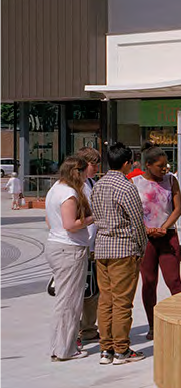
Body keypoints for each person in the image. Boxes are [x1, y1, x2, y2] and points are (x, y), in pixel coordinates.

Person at [90, 141, 148, 365]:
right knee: (123, 302)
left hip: (102, 246)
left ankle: (106, 349)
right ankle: (121, 349)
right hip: (123, 248)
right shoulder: (126, 187)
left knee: (106, 301)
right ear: (126, 163)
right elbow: (136, 220)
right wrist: (141, 248)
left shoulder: (98, 185)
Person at [44, 156, 94, 361]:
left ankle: (60, 346)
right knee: (70, 302)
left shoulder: (55, 188)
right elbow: (70, 224)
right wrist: (93, 217)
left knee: (65, 300)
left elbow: (50, 219)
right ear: (78, 172)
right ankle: (65, 349)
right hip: (70, 249)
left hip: (57, 245)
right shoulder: (69, 193)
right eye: (84, 172)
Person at [133, 147, 181, 339]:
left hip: (167, 235)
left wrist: (164, 227)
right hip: (145, 238)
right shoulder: (135, 182)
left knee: (174, 280)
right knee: (149, 282)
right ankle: (153, 325)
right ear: (148, 165)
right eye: (160, 166)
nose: (165, 169)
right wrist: (145, 229)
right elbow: (132, 211)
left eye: (166, 165)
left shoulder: (171, 180)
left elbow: (177, 208)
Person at [76, 146, 102, 345]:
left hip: (94, 245)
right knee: (77, 290)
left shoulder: (93, 182)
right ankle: (75, 330)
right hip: (79, 244)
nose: (96, 168)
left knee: (93, 290)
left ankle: (89, 328)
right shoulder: (74, 187)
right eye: (94, 164)